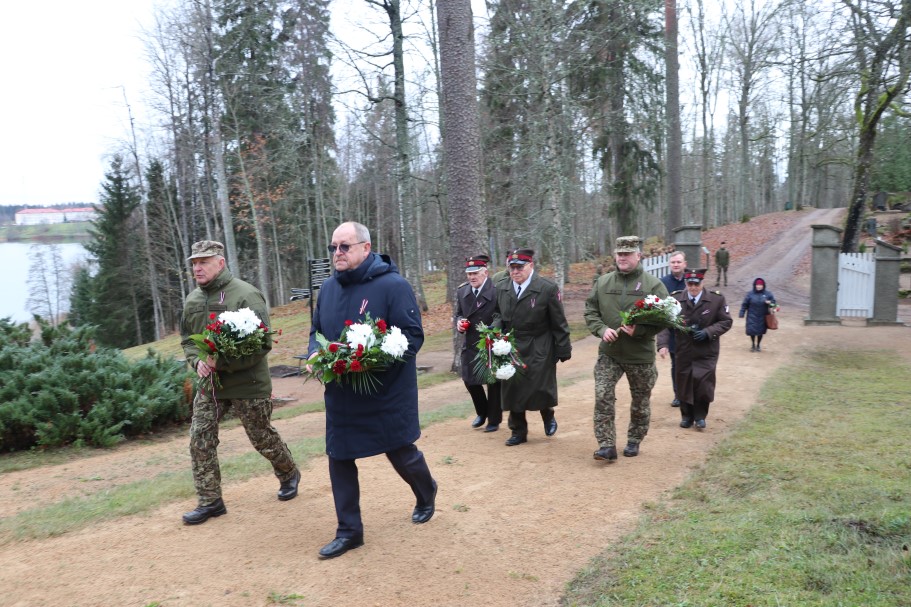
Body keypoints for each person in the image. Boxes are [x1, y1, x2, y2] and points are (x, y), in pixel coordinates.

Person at [307, 221, 437, 560]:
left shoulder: (393, 286)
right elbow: (316, 331)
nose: (337, 253)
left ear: (366, 248)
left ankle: (426, 490)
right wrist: (313, 354)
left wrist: (373, 362)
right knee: (339, 456)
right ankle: (349, 531)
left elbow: (412, 336)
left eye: (345, 246)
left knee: (399, 452)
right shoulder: (328, 289)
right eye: (334, 247)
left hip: (385, 391)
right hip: (341, 393)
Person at [179, 240, 300, 525]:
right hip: (211, 385)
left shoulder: (246, 295)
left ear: (220, 263)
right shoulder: (193, 300)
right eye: (194, 263)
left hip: (248, 383)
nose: (197, 268)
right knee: (200, 439)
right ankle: (210, 501)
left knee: (261, 437)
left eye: (203, 262)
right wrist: (196, 361)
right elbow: (187, 340)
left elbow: (263, 344)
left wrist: (224, 362)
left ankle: (288, 472)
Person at [584, 236, 669, 462]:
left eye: (628, 254)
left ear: (638, 256)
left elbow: (666, 318)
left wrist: (640, 330)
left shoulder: (653, 285)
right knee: (602, 394)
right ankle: (606, 444)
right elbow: (590, 311)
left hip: (639, 355)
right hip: (609, 353)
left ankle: (634, 439)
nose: (622, 258)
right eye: (620, 254)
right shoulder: (603, 283)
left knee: (640, 402)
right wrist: (602, 330)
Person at [492, 248, 572, 446]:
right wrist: (494, 332)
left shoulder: (547, 288)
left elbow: (559, 322)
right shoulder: (502, 287)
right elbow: (497, 314)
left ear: (531, 266)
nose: (515, 272)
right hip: (511, 344)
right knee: (512, 387)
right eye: (512, 267)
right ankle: (518, 430)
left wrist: (563, 349)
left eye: (520, 267)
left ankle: (547, 415)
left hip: (539, 343)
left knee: (539, 386)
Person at [657, 268, 732, 429]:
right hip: (683, 350)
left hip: (706, 350)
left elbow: (726, 322)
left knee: (703, 384)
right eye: (690, 284)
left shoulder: (716, 299)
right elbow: (665, 323)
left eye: (696, 284)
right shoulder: (675, 299)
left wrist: (708, 332)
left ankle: (700, 416)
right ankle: (686, 416)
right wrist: (662, 344)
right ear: (686, 283)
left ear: (702, 283)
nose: (693, 287)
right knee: (684, 382)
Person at [455, 255, 502, 432]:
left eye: (475, 273)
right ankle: (482, 412)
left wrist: (494, 330)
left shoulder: (496, 291)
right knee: (469, 379)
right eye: (469, 274)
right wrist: (459, 323)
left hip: (491, 342)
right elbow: (459, 314)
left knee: (493, 382)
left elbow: (501, 315)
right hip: (471, 341)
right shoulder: (462, 291)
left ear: (485, 273)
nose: (472, 277)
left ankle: (494, 419)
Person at [658, 251, 687, 408]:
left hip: (689, 332)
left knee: (690, 365)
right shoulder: (663, 283)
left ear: (684, 264)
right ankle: (678, 395)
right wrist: (662, 343)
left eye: (679, 262)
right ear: (670, 264)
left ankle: (689, 393)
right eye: (673, 262)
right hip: (673, 332)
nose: (676, 264)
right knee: (676, 366)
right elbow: (660, 313)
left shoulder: (692, 281)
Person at [739, 277, 776, 352]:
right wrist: (742, 312)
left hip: (763, 316)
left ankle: (758, 345)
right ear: (755, 285)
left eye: (760, 285)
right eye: (757, 285)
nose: (759, 286)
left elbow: (774, 304)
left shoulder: (768, 294)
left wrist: (770, 303)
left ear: (763, 286)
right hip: (752, 315)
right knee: (752, 331)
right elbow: (745, 304)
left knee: (760, 332)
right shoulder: (750, 294)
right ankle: (753, 345)